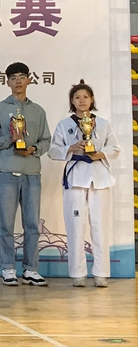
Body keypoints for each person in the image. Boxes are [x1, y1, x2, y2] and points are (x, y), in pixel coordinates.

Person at [0, 62, 51, 286]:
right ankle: (8, 268)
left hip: (32, 173)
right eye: (13, 77)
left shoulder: (38, 110)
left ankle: (31, 269)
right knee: (5, 224)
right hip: (6, 173)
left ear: (29, 80)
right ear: (7, 82)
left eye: (22, 76)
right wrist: (10, 139)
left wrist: (34, 149)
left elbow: (46, 140)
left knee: (32, 224)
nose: (18, 81)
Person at [48, 80, 119, 287]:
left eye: (85, 97)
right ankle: (78, 273)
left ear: (92, 99)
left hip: (99, 176)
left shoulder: (102, 123)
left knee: (100, 225)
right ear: (72, 101)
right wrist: (70, 148)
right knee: (75, 226)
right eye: (77, 97)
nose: (82, 101)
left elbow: (115, 147)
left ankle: (101, 272)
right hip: (76, 177)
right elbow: (53, 150)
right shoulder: (64, 125)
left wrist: (101, 153)